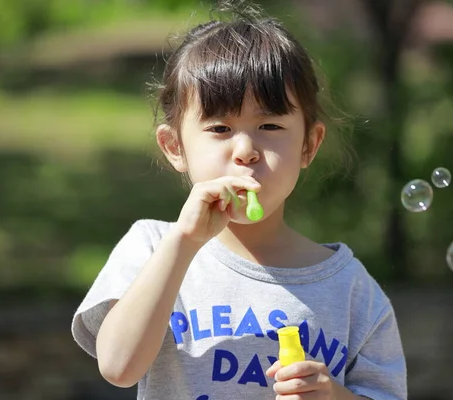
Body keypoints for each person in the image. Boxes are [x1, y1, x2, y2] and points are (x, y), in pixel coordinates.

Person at [71, 1, 407, 399]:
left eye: (270, 125)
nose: (245, 149)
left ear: (309, 145)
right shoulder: (152, 248)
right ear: (174, 146)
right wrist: (184, 242)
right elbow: (118, 367)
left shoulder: (352, 291)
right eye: (219, 127)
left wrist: (335, 396)